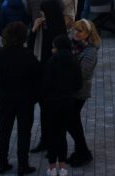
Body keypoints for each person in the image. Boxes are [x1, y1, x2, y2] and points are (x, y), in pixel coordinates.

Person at [0, 21, 40, 175]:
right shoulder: (28, 56)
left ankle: (2, 162)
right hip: (25, 99)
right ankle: (23, 165)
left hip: (5, 97)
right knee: (24, 132)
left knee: (4, 130)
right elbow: (37, 74)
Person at [41, 34, 81, 176]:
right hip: (68, 101)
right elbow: (78, 83)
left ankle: (52, 166)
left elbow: (46, 83)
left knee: (52, 133)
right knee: (62, 133)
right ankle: (63, 166)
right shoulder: (74, 60)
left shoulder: (52, 61)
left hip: (52, 103)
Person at [65, 19, 100, 168]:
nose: (76, 33)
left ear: (88, 34)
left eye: (80, 31)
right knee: (72, 121)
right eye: (75, 30)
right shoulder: (74, 45)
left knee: (72, 121)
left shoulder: (90, 51)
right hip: (70, 89)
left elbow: (83, 72)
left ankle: (83, 152)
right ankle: (81, 151)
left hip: (79, 91)